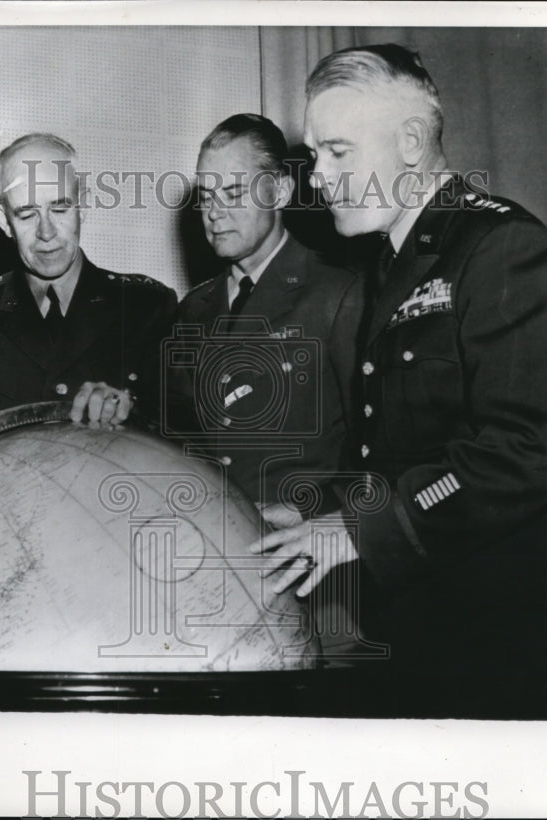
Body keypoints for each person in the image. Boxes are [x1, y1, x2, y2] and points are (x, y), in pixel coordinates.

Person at [254, 45, 547, 717]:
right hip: (418, 624)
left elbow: (529, 450)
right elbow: (403, 452)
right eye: (315, 157)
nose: (319, 179)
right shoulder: (392, 266)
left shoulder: (499, 248)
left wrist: (356, 531)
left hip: (493, 639)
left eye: (338, 152)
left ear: (412, 142)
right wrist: (312, 509)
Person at [166, 113, 371, 660]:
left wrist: (314, 510)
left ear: (279, 189)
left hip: (325, 590)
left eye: (234, 191)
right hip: (221, 590)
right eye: (206, 195)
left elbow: (384, 450)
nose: (214, 212)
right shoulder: (194, 310)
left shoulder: (342, 294)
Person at [0, 133, 177, 443]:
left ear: (83, 206)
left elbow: (185, 438)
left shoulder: (147, 307)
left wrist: (131, 410)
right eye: (27, 214)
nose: (46, 232)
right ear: (4, 222)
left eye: (60, 209)